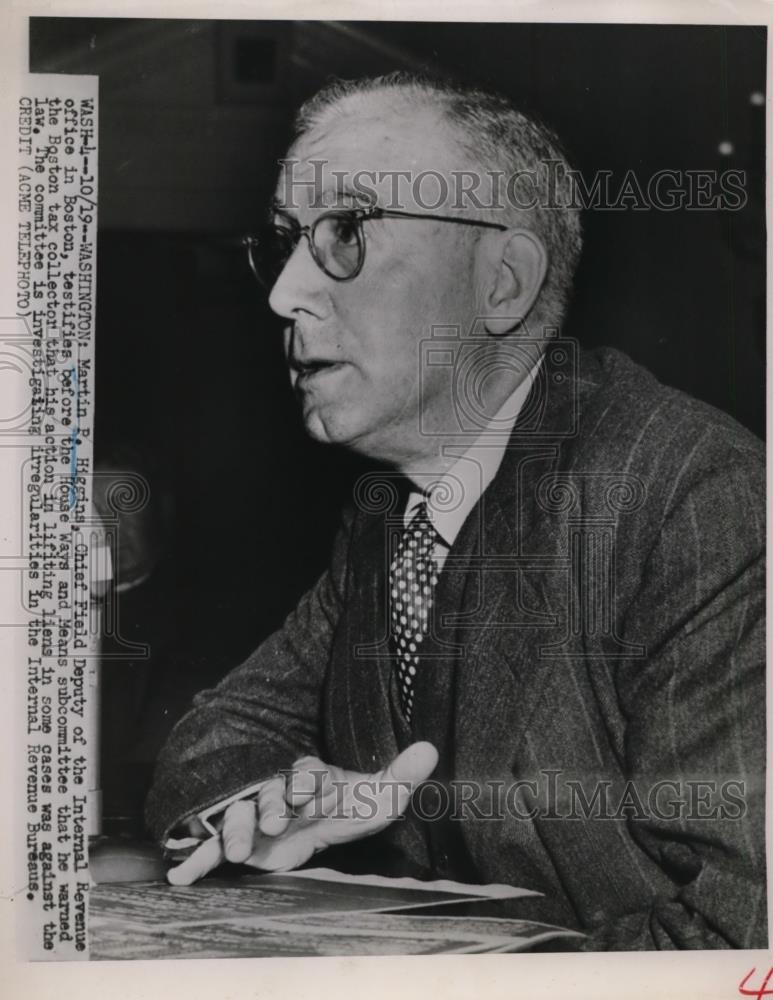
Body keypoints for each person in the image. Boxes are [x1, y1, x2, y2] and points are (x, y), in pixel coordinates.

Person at [145, 73, 765, 951]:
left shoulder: (697, 504)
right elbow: (214, 738)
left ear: (501, 282)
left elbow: (740, 945)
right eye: (285, 241)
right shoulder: (392, 512)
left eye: (347, 230)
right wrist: (266, 805)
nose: (283, 295)